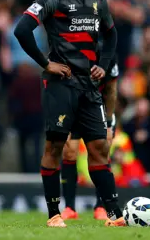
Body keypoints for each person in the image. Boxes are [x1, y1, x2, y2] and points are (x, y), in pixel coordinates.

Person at [13, 0, 123, 228]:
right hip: (61, 84)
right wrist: (45, 63)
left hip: (89, 86)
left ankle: (114, 215)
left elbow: (111, 35)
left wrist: (103, 65)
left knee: (99, 147)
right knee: (55, 147)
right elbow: (22, 29)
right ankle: (54, 214)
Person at [61, 60, 119, 221]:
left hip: (96, 110)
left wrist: (108, 123)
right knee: (69, 152)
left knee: (101, 153)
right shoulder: (69, 54)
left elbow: (111, 90)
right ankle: (69, 207)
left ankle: (101, 206)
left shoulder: (107, 58)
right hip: (73, 109)